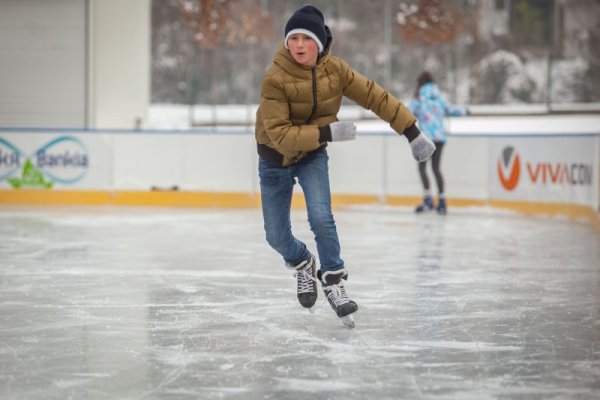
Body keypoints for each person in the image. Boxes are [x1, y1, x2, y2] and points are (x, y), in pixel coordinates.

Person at [255, 5, 435, 327]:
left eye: (305, 38)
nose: (298, 45)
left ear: (319, 43)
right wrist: (327, 132)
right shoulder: (275, 79)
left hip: (311, 156)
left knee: (322, 217)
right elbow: (280, 137)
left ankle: (334, 281)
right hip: (275, 158)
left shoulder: (335, 71)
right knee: (276, 235)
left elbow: (375, 97)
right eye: (292, 38)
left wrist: (412, 132)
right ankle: (302, 263)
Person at [409, 72, 468, 215]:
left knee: (422, 168)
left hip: (425, 138)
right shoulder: (439, 98)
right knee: (436, 169)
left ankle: (428, 199)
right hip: (440, 138)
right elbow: (451, 110)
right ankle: (442, 201)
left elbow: (409, 112)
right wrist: (466, 110)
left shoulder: (418, 98)